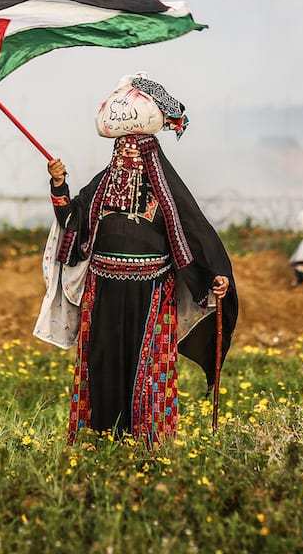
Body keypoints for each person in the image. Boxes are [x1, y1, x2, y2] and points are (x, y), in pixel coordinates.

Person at [34, 74, 237, 446]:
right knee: (103, 362)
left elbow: (194, 234)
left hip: (152, 291)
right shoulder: (100, 187)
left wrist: (216, 277)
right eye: (120, 149)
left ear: (149, 154)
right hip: (103, 289)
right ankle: (99, 436)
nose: (125, 156)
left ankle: (146, 438)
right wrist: (59, 184)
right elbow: (71, 222)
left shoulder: (167, 195)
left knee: (146, 368)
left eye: (134, 149)